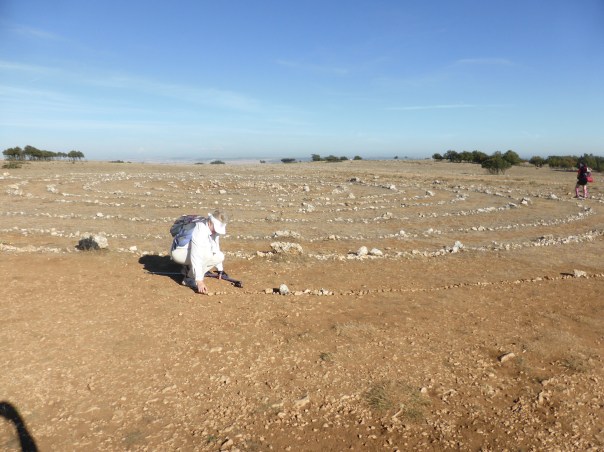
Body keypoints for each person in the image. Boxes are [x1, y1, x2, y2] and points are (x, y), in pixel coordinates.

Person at [170, 209, 228, 294]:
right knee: (207, 254)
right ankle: (189, 279)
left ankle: (188, 269)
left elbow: (216, 248)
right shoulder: (200, 229)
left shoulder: (213, 230)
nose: (216, 231)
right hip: (178, 252)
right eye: (215, 228)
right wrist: (199, 281)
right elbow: (196, 255)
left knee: (219, 257)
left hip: (187, 251)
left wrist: (220, 269)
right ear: (210, 222)